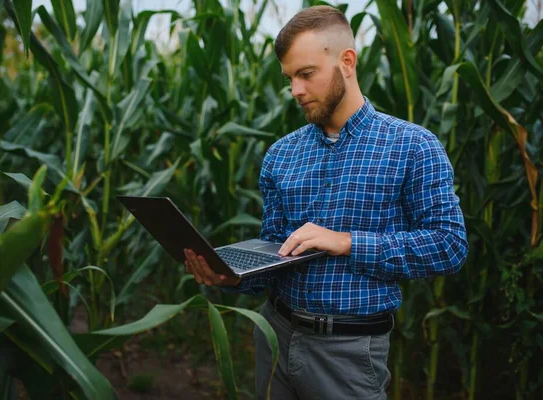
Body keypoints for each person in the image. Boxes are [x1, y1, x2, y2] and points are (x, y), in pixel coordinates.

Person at [183, 5, 468, 400]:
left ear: (346, 61)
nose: (295, 90)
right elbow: (275, 257)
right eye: (289, 78)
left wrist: (347, 241)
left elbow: (449, 246)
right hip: (275, 337)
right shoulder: (282, 154)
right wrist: (229, 275)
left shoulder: (413, 146)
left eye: (306, 74)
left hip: (348, 353)